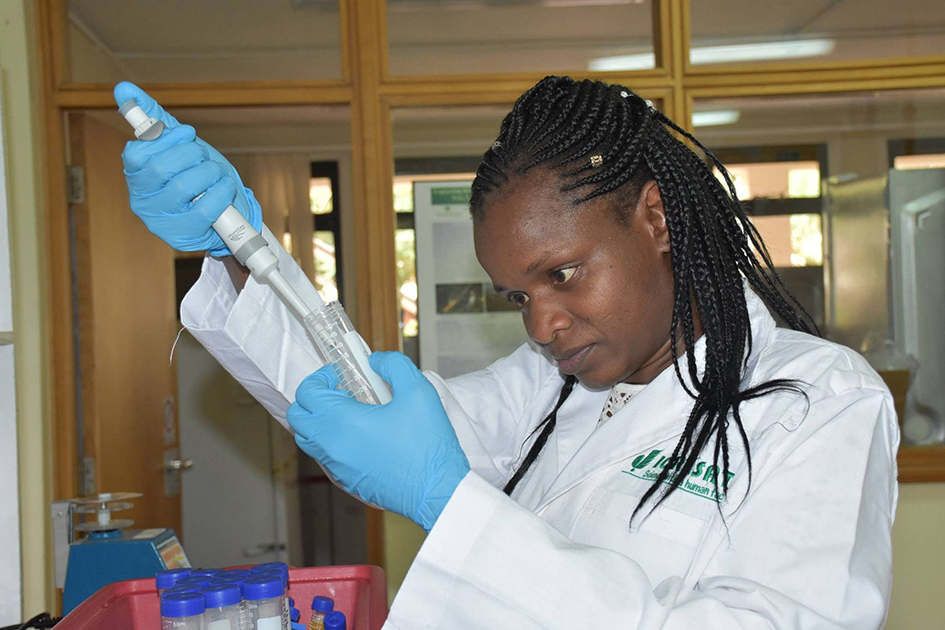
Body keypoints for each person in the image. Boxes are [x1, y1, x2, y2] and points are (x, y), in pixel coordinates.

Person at [116, 76, 899, 629]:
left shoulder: (815, 399)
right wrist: (234, 252)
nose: (542, 325)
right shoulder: (548, 383)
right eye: (519, 297)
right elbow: (352, 404)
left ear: (655, 219)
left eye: (561, 275)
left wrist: (450, 505)